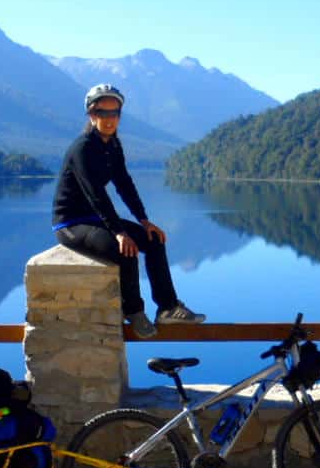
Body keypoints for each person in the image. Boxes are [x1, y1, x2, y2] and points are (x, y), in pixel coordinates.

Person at [51, 83, 205, 338]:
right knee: (126, 248)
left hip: (96, 220)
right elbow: (96, 195)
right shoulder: (82, 149)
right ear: (92, 115)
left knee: (154, 240)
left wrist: (145, 221)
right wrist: (120, 232)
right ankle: (133, 311)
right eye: (103, 113)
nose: (109, 120)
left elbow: (124, 184)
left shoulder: (113, 146)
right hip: (70, 224)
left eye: (115, 114)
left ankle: (167, 307)